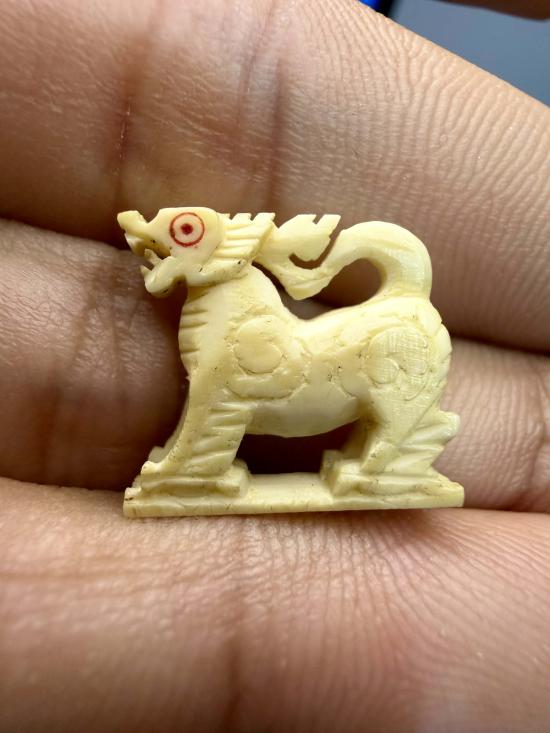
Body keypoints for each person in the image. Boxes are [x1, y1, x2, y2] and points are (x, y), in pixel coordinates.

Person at [0, 0, 549, 730]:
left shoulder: (320, 333)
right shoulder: (227, 320)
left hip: (388, 342)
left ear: (222, 255)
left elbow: (215, 410)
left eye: (183, 236)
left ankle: (380, 461)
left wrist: (181, 468)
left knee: (287, 404)